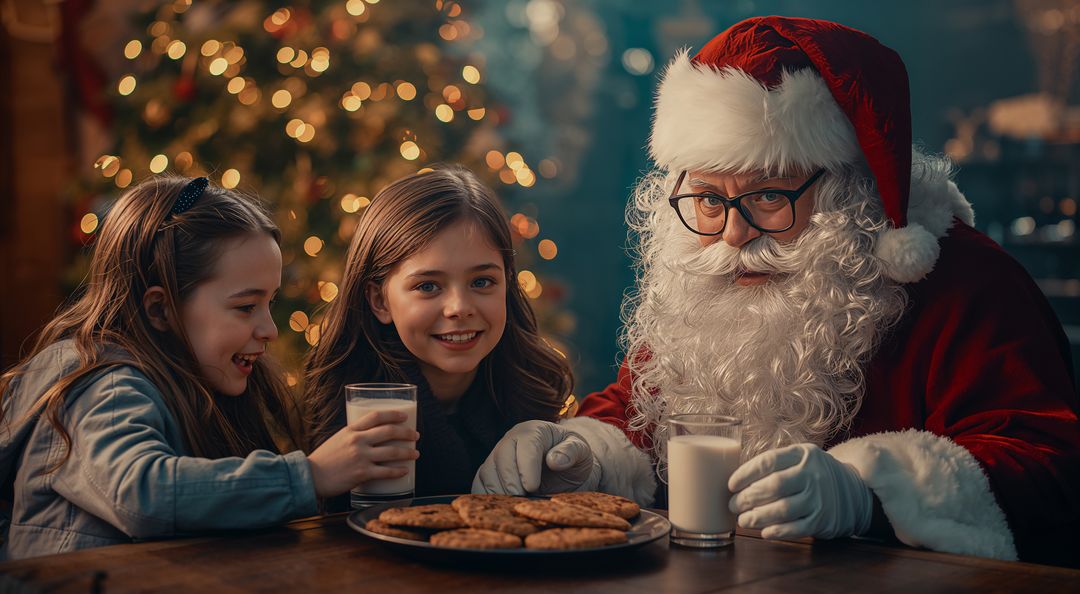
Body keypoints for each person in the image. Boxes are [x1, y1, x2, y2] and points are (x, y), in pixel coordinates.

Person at [473, 16, 1080, 565]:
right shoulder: (707, 278)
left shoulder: (968, 285)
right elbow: (640, 413)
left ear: (850, 192)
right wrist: (581, 453)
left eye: (769, 195)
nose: (733, 234)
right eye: (708, 198)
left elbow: (1050, 466)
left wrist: (871, 493)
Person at [0, 176, 417, 560]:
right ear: (161, 309)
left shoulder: (199, 381)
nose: (270, 330)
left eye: (269, 303)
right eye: (246, 306)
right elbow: (140, 493)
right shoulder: (103, 384)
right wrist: (312, 474)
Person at [303, 165, 577, 501]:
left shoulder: (532, 391)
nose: (459, 308)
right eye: (428, 286)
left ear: (507, 283)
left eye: (482, 282)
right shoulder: (348, 410)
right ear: (380, 301)